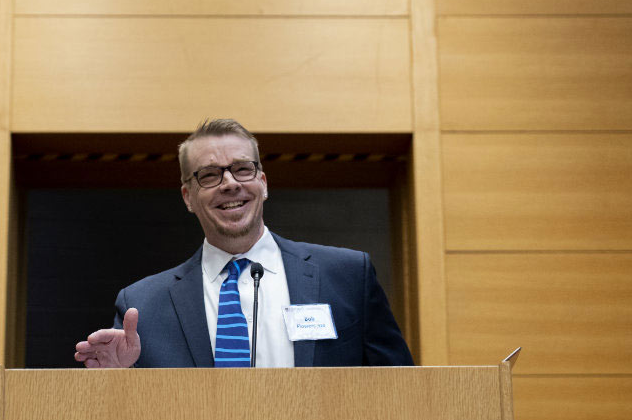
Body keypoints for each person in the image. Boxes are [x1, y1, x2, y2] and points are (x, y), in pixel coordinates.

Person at [73, 119, 414, 369]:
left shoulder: (348, 276)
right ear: (188, 197)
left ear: (263, 183)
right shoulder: (142, 305)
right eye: (209, 175)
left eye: (242, 169)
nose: (229, 183)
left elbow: (400, 390)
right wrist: (114, 382)